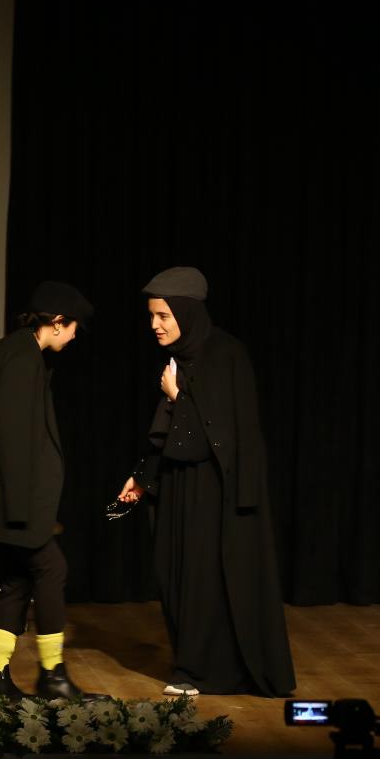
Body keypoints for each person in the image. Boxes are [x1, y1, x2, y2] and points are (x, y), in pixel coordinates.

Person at [117, 266, 295, 696]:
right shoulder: (183, 358)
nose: (155, 325)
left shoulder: (225, 355)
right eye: (152, 316)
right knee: (176, 575)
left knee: (204, 580)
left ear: (186, 313)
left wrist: (177, 395)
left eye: (163, 316)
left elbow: (213, 439)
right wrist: (141, 476)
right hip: (179, 488)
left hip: (215, 492)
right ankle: (190, 662)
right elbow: (168, 434)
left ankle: (199, 670)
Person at [0, 280, 103, 703]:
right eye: (74, 327)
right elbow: (11, 438)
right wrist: (20, 511)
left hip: (1, 496)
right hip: (7, 498)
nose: (74, 336)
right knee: (52, 568)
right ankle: (53, 675)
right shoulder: (21, 359)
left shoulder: (11, 350)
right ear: (57, 322)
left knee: (16, 580)